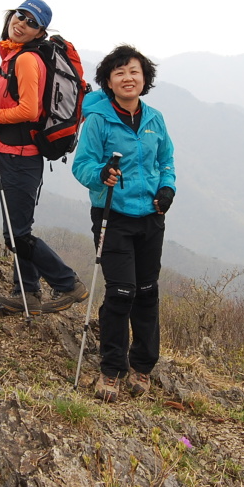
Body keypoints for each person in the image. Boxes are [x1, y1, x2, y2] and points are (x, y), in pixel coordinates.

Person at [0, 0, 88, 315]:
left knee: (18, 235)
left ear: (39, 33)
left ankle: (67, 284)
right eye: (20, 15)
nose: (22, 23)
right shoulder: (12, 57)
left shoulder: (25, 60)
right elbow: (10, 99)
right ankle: (27, 293)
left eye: (32, 22)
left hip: (22, 156)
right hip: (9, 153)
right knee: (16, 231)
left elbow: (28, 110)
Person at [71, 44, 176, 401]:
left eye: (134, 71)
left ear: (144, 78)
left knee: (147, 293)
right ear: (109, 83)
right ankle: (111, 370)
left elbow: (167, 161)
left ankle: (143, 366)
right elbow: (81, 166)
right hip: (112, 216)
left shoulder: (155, 119)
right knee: (120, 293)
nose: (128, 78)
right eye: (119, 73)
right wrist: (101, 175)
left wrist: (167, 189)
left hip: (151, 217)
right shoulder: (99, 121)